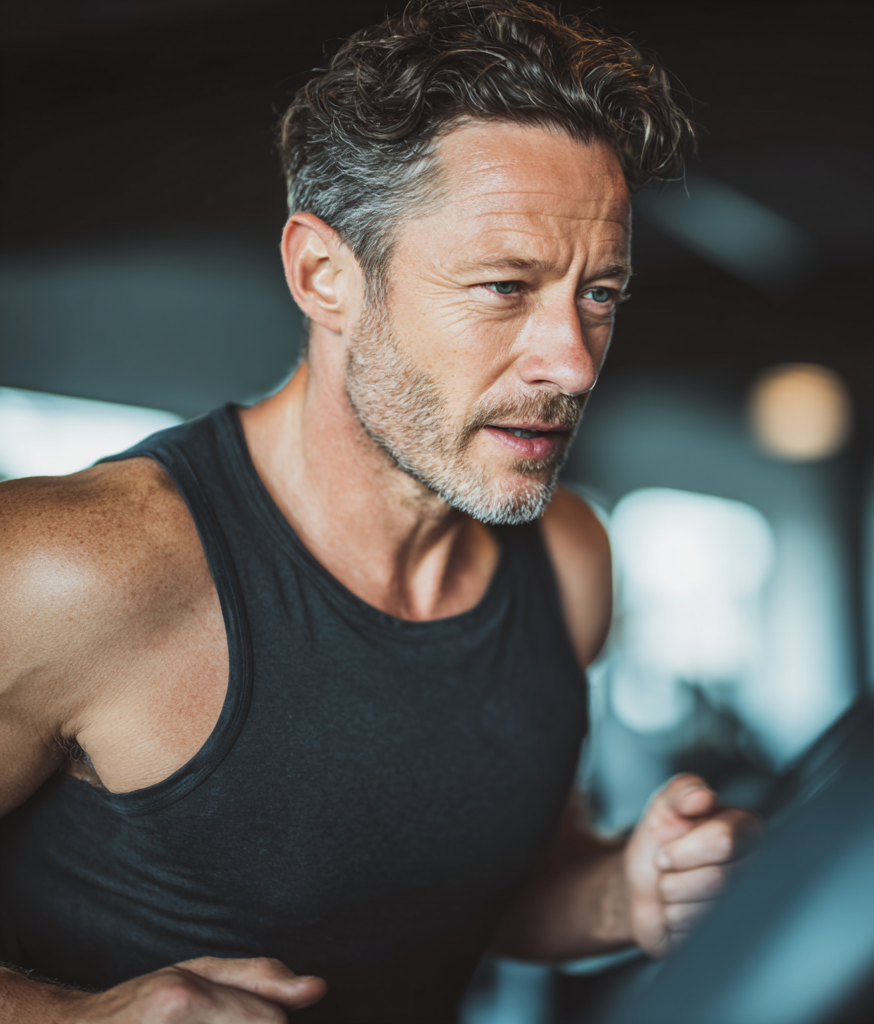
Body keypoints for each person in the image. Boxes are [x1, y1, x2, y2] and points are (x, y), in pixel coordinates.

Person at [0, 2, 758, 1020]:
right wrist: (72, 1018)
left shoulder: (568, 558)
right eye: (503, 286)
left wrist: (624, 890)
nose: (572, 363)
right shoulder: (74, 566)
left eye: (600, 294)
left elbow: (492, 886)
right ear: (325, 276)